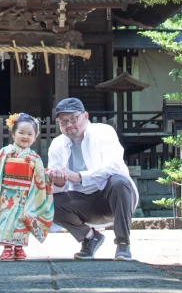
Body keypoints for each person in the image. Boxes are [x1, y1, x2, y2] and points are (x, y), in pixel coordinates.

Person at [47, 97, 139, 261]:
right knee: (50, 202)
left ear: (85, 116)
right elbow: (58, 187)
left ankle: (123, 244)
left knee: (119, 181)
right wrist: (59, 181)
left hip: (112, 197)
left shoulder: (104, 132)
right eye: (63, 122)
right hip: (82, 203)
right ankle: (90, 238)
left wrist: (79, 177)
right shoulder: (56, 144)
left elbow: (114, 165)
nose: (69, 125)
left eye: (73, 119)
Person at [0, 113, 54, 261]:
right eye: (21, 132)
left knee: (21, 220)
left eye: (30, 134)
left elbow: (40, 177)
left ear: (35, 137)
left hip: (26, 194)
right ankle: (7, 248)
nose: (25, 136)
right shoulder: (5, 152)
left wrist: (49, 176)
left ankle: (19, 247)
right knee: (6, 218)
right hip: (7, 193)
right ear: (13, 134)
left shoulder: (34, 157)